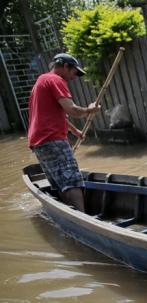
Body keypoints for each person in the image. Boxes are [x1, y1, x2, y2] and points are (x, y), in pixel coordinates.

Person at [27, 53, 100, 212]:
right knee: (72, 180)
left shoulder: (42, 81)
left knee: (61, 181)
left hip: (39, 141)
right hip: (51, 139)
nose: (74, 77)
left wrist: (74, 131)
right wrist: (89, 110)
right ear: (65, 66)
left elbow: (48, 114)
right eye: (74, 72)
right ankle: (82, 219)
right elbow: (72, 110)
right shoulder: (55, 80)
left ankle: (71, 214)